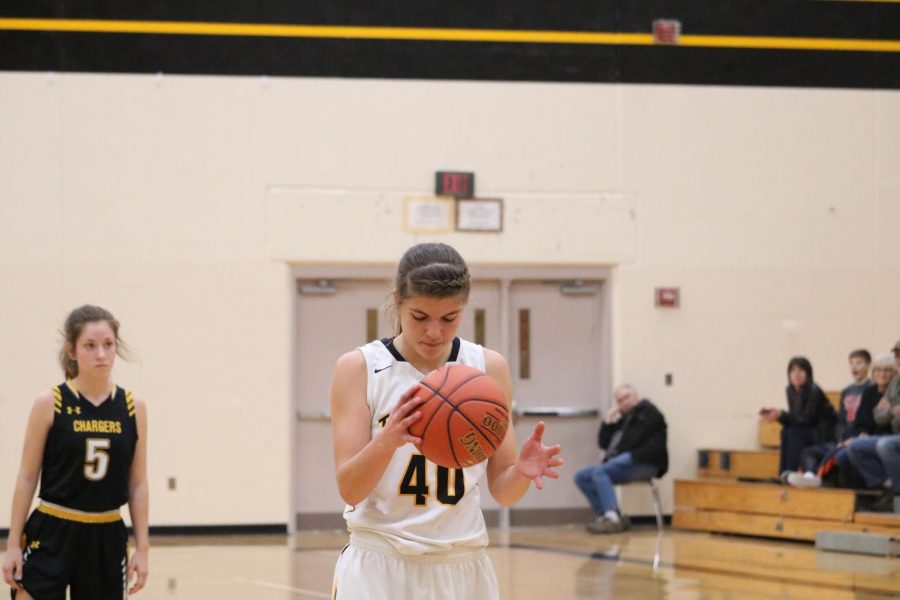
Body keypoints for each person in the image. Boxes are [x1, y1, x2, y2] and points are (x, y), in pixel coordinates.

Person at [329, 243, 563, 600]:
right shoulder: (359, 368)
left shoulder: (488, 367)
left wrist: (521, 472)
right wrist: (388, 439)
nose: (434, 332)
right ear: (397, 302)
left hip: (462, 561)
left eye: (449, 318)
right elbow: (349, 489)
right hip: (381, 561)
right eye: (419, 317)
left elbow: (502, 489)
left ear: (464, 308)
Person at [2, 305, 149, 599]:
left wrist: (143, 549)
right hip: (53, 530)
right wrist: (12, 544)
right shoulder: (50, 402)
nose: (101, 355)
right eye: (90, 346)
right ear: (72, 351)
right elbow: (28, 476)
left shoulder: (133, 407)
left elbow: (137, 483)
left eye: (108, 345)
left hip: (105, 535)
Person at [574, 384, 668, 534]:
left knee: (601, 472)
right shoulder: (623, 421)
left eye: (627, 397)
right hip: (624, 464)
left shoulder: (649, 413)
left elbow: (634, 440)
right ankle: (607, 515)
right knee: (582, 477)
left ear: (636, 396)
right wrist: (607, 421)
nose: (624, 402)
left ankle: (612, 519)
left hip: (644, 463)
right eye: (619, 401)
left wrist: (617, 460)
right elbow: (603, 443)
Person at [785, 349, 878, 488]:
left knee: (836, 455)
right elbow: (841, 420)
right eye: (851, 363)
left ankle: (817, 480)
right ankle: (810, 477)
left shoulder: (872, 389)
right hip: (841, 440)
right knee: (808, 452)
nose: (854, 367)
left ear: (868, 365)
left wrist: (855, 438)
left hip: (859, 439)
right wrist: (840, 439)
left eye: (859, 363)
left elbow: (870, 421)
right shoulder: (847, 391)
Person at [760, 356, 836, 478]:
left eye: (801, 370)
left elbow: (807, 420)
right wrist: (777, 416)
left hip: (823, 434)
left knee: (794, 433)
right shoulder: (790, 390)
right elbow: (795, 419)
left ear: (808, 373)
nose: (796, 374)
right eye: (793, 370)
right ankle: (783, 473)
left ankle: (792, 472)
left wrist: (781, 415)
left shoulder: (814, 391)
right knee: (785, 431)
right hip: (807, 430)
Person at [848, 345, 900, 510]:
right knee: (854, 446)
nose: (899, 359)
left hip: (892, 436)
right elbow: (880, 415)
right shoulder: (896, 383)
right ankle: (885, 485)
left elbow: (886, 414)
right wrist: (893, 410)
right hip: (894, 434)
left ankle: (897, 492)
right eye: (897, 355)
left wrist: (890, 411)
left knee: (884, 445)